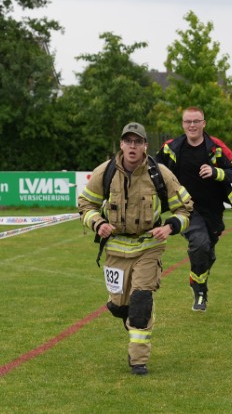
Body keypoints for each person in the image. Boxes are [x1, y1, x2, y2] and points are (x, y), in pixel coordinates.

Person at [78, 122, 193, 376]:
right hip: (116, 250)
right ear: (121, 144)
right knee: (119, 306)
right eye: (128, 141)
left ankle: (138, 360)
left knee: (141, 301)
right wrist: (98, 223)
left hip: (148, 247)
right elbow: (85, 204)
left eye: (137, 142)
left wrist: (170, 227)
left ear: (145, 146)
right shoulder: (105, 172)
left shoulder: (160, 174)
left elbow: (185, 209)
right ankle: (128, 315)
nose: (132, 146)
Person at [157, 106, 232, 312]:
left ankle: (197, 279)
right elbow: (154, 170)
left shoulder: (216, 147)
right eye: (188, 121)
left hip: (213, 211)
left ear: (203, 123)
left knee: (207, 253)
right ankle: (200, 290)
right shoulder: (171, 148)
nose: (192, 125)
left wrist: (216, 172)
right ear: (183, 124)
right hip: (186, 209)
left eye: (196, 121)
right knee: (200, 243)